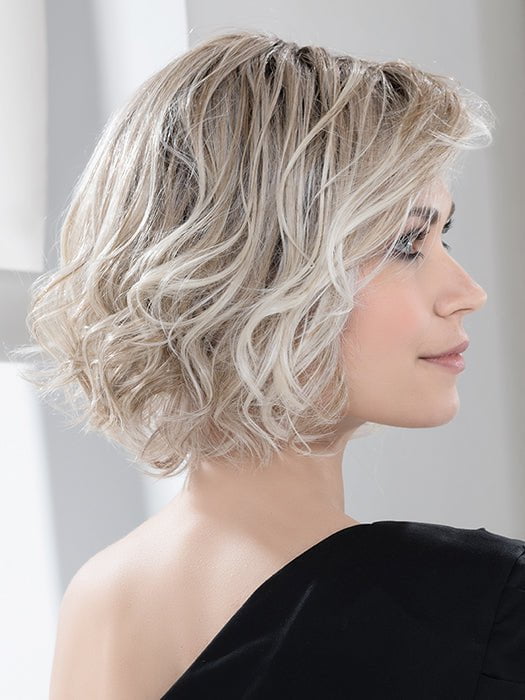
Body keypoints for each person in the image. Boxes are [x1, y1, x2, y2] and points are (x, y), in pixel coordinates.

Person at [12, 29, 524, 699]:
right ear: (261, 272)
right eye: (407, 243)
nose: (467, 292)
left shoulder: (101, 597)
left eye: (442, 235)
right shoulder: (482, 606)